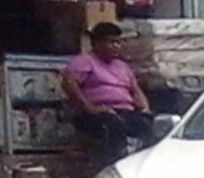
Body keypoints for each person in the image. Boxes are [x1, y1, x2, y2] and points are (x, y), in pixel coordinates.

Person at [64, 23, 151, 164]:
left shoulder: (123, 67)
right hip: (96, 115)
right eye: (111, 42)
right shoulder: (85, 61)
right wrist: (90, 108)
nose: (116, 46)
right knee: (113, 124)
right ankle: (116, 165)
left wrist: (144, 107)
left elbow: (135, 90)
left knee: (149, 123)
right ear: (97, 43)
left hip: (124, 112)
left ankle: (143, 165)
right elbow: (69, 84)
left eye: (118, 42)